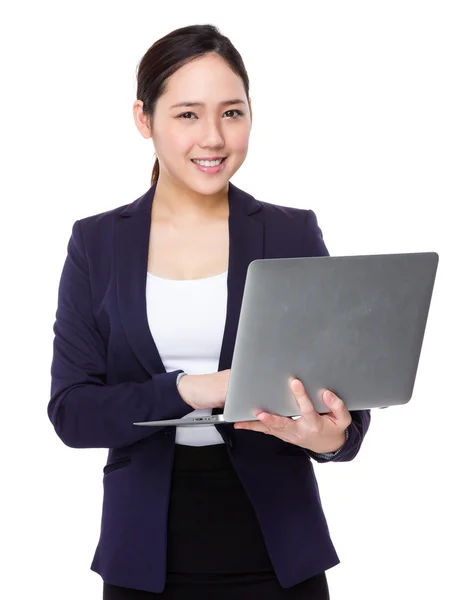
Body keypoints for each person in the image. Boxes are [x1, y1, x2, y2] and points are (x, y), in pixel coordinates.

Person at [48, 24, 371, 600]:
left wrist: (331, 437)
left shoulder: (290, 231)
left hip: (279, 549)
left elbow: (345, 412)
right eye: (188, 115)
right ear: (144, 120)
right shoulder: (96, 243)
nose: (215, 138)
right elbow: (73, 412)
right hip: (143, 551)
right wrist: (193, 389)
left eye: (233, 113)